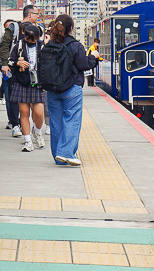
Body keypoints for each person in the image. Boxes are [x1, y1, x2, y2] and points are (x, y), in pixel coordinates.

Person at [41, 14, 100, 167]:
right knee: (72, 120)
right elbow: (83, 64)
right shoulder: (75, 45)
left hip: (52, 89)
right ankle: (66, 153)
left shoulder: (49, 45)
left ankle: (58, 156)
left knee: (56, 123)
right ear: (71, 28)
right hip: (71, 88)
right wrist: (93, 57)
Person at [9, 23, 47, 152]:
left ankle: (37, 131)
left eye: (34, 39)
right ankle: (27, 140)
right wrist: (17, 63)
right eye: (29, 38)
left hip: (38, 82)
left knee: (39, 113)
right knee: (24, 112)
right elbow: (10, 61)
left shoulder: (42, 46)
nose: (31, 41)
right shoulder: (19, 45)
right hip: (22, 82)